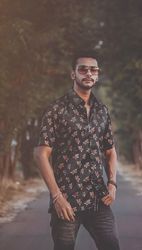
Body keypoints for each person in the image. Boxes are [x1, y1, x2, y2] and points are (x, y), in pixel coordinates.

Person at [34, 51, 120, 250]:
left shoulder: (102, 111)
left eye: (93, 70)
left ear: (97, 75)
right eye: (83, 69)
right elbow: (41, 153)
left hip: (99, 199)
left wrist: (113, 183)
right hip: (67, 201)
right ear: (73, 74)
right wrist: (56, 197)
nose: (88, 73)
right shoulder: (56, 109)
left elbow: (110, 151)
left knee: (111, 245)